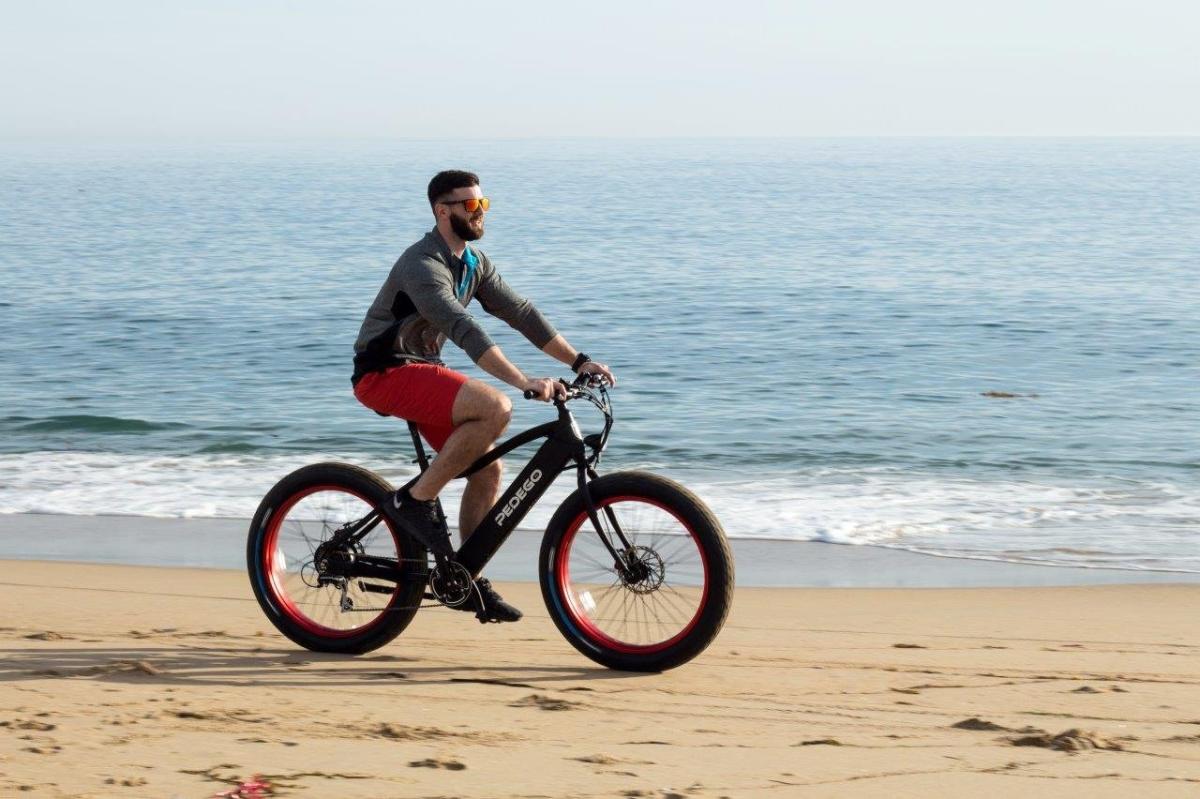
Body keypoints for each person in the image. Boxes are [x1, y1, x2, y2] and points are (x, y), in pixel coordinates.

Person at [351, 170, 616, 623]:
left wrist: (578, 362)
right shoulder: (422, 264)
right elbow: (463, 328)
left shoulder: (473, 263)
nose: (480, 212)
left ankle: (464, 577)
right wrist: (523, 381)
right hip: (385, 372)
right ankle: (411, 504)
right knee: (495, 407)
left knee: (490, 470)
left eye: (483, 204)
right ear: (442, 211)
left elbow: (521, 312)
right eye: (469, 206)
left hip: (424, 372)